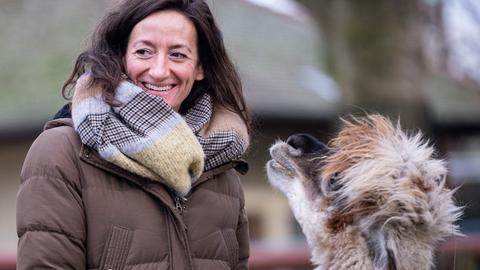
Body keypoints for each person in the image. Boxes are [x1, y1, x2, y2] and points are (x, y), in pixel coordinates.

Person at [16, 0, 251, 269]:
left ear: (200, 67)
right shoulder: (61, 153)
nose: (160, 71)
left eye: (178, 55)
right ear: (121, 57)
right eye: (143, 52)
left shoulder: (223, 167)